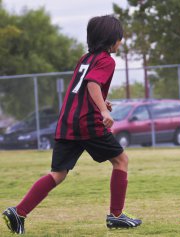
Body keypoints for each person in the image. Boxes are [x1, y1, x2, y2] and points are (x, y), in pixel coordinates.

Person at [2, 15, 142, 234]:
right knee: (121, 160)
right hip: (87, 123)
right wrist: (103, 110)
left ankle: (18, 212)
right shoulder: (106, 60)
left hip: (67, 122)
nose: (121, 41)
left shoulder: (85, 59)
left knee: (58, 173)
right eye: (120, 37)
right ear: (112, 38)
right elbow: (93, 84)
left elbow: (81, 88)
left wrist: (102, 102)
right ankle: (116, 216)